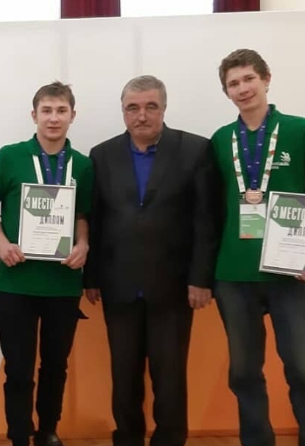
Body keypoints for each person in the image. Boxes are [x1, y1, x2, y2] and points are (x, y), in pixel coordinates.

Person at [82, 75, 221, 446]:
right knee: (123, 376)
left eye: (150, 107)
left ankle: (170, 440)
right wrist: (91, 277)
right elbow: (95, 220)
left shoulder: (195, 149)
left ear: (163, 108)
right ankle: (127, 438)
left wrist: (201, 278)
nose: (141, 115)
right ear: (123, 111)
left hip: (174, 288)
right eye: (133, 108)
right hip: (118, 286)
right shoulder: (102, 155)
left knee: (170, 377)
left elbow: (206, 220)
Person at [211, 48, 305, 446]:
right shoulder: (221, 140)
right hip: (235, 275)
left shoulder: (301, 130)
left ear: (266, 79)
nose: (242, 88)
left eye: (249, 78)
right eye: (233, 83)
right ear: (227, 92)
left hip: (294, 273)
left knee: (304, 373)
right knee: (244, 374)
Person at [0, 81, 93, 446]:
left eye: (61, 111)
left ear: (73, 115)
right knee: (19, 369)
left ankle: (47, 431)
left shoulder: (83, 165)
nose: (53, 118)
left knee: (55, 366)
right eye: (47, 110)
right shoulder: (10, 156)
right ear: (34, 115)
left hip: (63, 284)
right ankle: (18, 435)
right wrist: (2, 244)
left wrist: (83, 244)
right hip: (16, 283)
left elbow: (83, 215)